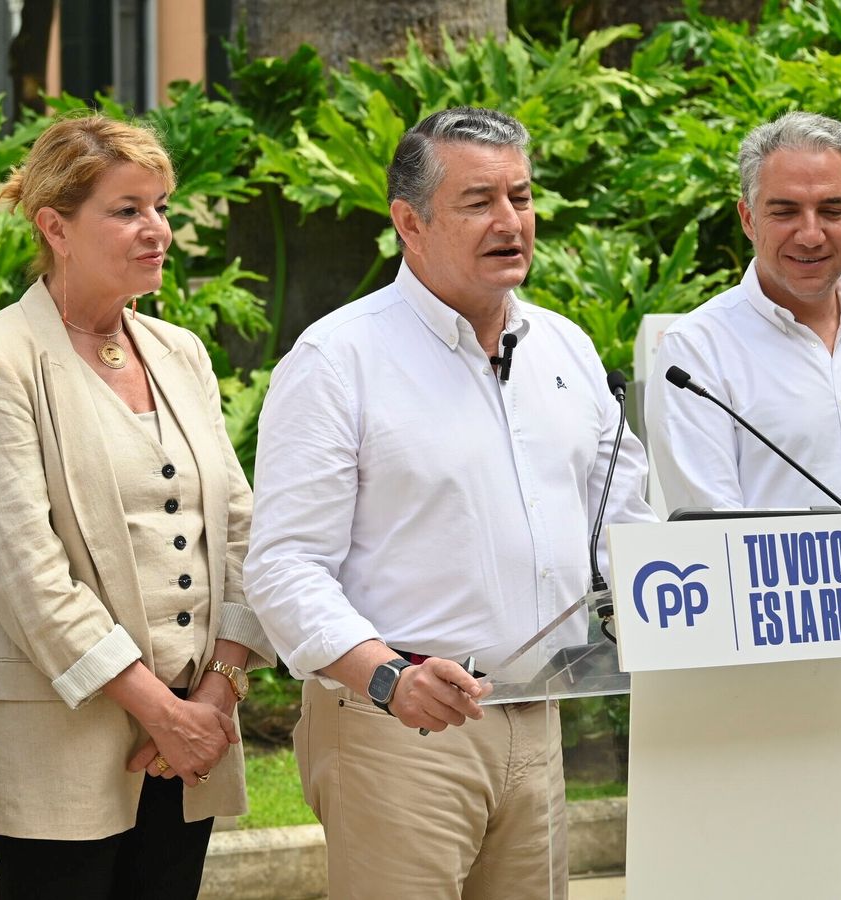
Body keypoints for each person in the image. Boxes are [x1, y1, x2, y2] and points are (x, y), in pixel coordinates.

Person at [243, 107, 656, 899]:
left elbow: (625, 526)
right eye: (479, 202)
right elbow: (286, 567)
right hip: (398, 726)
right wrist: (389, 677)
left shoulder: (565, 351)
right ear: (410, 222)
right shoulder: (338, 361)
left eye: (523, 197)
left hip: (543, 716)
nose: (511, 222)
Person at [0, 114, 275, 900]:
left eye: (160, 206)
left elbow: (238, 529)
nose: (156, 230)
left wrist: (216, 695)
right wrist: (163, 713)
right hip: (61, 747)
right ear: (54, 225)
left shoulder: (179, 352)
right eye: (127, 210)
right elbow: (28, 576)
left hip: (192, 739)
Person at [646, 111, 841, 900]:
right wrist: (837, 660)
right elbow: (708, 523)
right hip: (769, 675)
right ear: (749, 216)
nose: (810, 232)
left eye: (831, 209)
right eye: (785, 210)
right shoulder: (697, 350)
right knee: (778, 876)